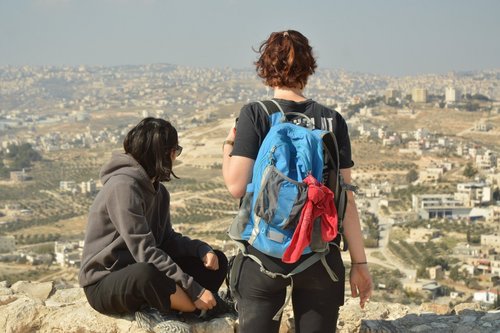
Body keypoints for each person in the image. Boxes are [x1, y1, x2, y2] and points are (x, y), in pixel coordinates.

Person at [222, 30, 373, 332]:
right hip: (318, 255)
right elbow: (345, 200)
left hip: (262, 255)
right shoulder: (332, 120)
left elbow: (236, 186)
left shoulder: (256, 115)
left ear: (265, 68)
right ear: (309, 67)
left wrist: (228, 147)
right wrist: (360, 265)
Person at [79, 117, 231, 332]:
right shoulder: (123, 187)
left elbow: (166, 240)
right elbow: (146, 252)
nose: (176, 156)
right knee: (146, 274)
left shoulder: (158, 191)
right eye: (175, 150)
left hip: (146, 270)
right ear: (164, 153)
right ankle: (200, 308)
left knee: (217, 262)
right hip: (105, 283)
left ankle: (174, 306)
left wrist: (201, 250)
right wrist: (195, 290)